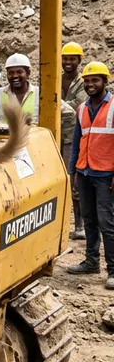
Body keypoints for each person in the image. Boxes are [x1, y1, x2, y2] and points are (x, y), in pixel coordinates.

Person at [67, 62, 114, 289]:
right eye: (86, 81)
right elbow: (77, 142)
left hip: (106, 174)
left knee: (108, 223)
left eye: (95, 80)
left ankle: (113, 270)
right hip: (85, 172)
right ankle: (91, 261)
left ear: (105, 81)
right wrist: (73, 171)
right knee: (90, 219)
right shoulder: (82, 108)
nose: (89, 84)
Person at [61, 42, 87, 239]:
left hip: (73, 137)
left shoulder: (83, 82)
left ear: (79, 60)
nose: (68, 62)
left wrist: (56, 103)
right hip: (54, 135)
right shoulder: (57, 78)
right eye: (65, 58)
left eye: (72, 59)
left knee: (74, 181)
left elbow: (79, 105)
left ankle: (79, 226)